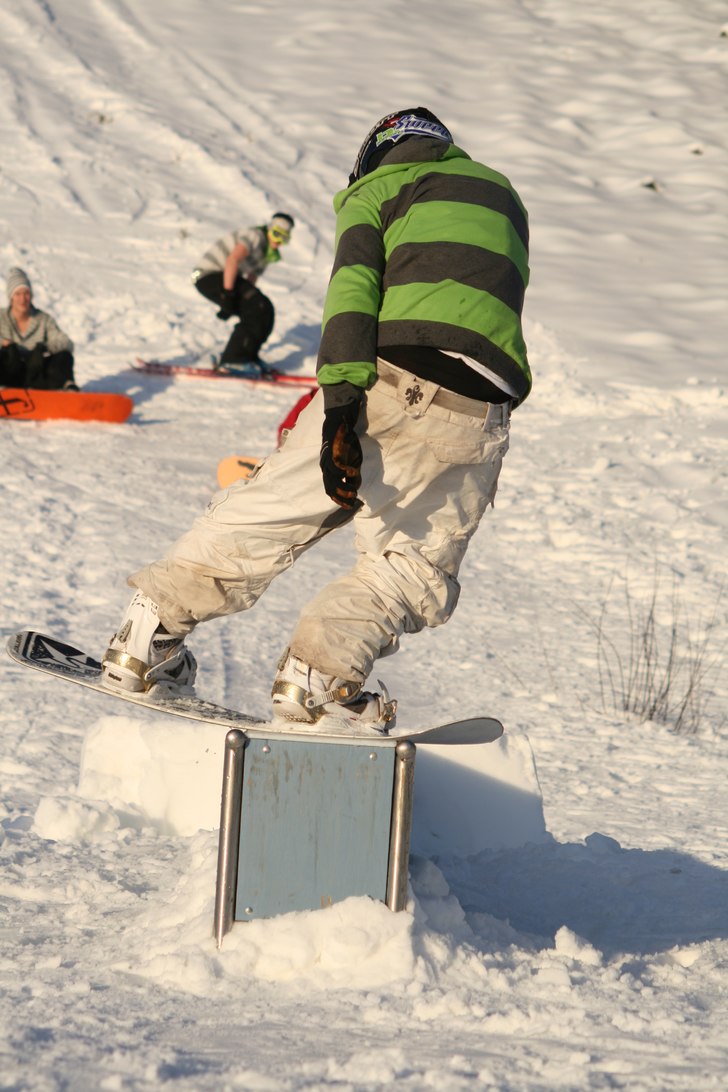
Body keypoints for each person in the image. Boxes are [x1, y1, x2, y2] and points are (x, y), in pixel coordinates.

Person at [101, 108, 531, 733]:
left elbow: (354, 289)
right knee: (408, 563)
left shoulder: (377, 188)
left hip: (382, 372)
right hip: (474, 404)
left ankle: (149, 632)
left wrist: (340, 408)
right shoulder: (502, 193)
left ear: (376, 154)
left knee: (274, 506)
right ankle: (318, 679)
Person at [191, 212, 294, 373]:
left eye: (284, 238)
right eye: (276, 234)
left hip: (227, 279)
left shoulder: (267, 253)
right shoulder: (255, 236)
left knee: (264, 309)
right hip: (209, 275)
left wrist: (241, 302)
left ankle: (248, 356)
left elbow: (251, 279)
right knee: (257, 306)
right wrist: (228, 295)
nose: (278, 241)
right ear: (269, 230)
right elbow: (232, 260)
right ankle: (233, 360)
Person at [0, 268, 77, 390]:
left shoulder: (43, 320)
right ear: (11, 297)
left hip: (37, 377)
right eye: (18, 294)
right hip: (9, 377)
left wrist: (46, 348)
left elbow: (67, 342)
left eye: (26, 293)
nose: (22, 299)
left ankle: (67, 392)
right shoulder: (1, 318)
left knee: (63, 356)